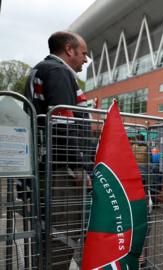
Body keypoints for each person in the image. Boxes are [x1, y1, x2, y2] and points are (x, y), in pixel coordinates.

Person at [24, 31, 89, 270]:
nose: (85, 60)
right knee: (64, 232)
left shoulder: (42, 70)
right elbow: (62, 124)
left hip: (49, 164)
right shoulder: (58, 71)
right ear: (69, 50)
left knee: (50, 231)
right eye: (83, 53)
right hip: (62, 170)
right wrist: (80, 166)